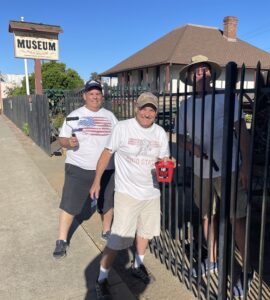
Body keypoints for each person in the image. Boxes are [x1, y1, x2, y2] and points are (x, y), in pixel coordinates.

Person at [177, 55, 253, 296]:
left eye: (205, 69)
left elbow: (242, 133)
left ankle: (247, 270)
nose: (201, 73)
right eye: (197, 71)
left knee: (236, 218)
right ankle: (212, 258)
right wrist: (192, 148)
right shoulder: (185, 105)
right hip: (202, 171)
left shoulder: (226, 98)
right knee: (206, 215)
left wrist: (245, 167)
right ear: (190, 77)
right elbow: (179, 137)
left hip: (229, 168)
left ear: (211, 75)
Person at [90, 92, 170, 299]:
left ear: (156, 113)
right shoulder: (123, 128)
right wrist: (97, 180)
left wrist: (170, 163)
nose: (147, 113)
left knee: (145, 232)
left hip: (151, 193)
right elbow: (106, 153)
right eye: (144, 108)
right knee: (117, 240)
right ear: (137, 108)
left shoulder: (160, 132)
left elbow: (164, 159)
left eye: (152, 109)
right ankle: (101, 279)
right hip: (127, 194)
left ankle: (138, 264)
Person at [53, 80, 118, 259]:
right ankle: (61, 239)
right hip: (79, 167)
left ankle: (106, 230)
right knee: (70, 203)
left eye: (98, 93)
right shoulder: (74, 115)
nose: (95, 96)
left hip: (107, 168)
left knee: (107, 201)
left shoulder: (110, 117)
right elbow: (62, 139)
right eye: (91, 93)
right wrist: (68, 142)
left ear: (102, 96)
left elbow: (118, 140)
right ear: (84, 96)